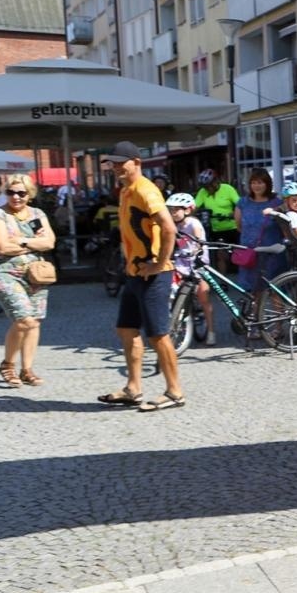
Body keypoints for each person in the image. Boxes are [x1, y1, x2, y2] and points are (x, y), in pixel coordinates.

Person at [96, 141, 187, 413]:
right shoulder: (126, 191)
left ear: (136, 162)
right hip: (135, 273)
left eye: (119, 163)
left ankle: (174, 392)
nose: (114, 168)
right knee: (126, 329)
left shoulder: (147, 191)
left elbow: (169, 228)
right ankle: (132, 388)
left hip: (153, 275)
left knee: (158, 335)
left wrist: (160, 264)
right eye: (111, 163)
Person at [0, 175, 54, 388]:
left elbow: (49, 242)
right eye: (11, 192)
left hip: (34, 272)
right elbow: (2, 248)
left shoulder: (36, 214)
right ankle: (7, 365)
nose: (16, 197)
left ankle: (27, 369)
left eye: (21, 193)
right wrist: (34, 244)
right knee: (25, 320)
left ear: (30, 195)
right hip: (3, 272)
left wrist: (22, 241)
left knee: (35, 320)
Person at [166, 193, 216, 345]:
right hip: (180, 263)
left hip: (197, 263)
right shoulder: (171, 224)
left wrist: (196, 249)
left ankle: (211, 330)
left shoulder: (193, 223)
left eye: (176, 210)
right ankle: (174, 322)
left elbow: (199, 241)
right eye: (171, 210)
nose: (173, 213)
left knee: (203, 296)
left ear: (187, 210)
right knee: (170, 292)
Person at [232, 169, 285, 291]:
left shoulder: (277, 202)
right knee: (252, 293)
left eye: (260, 182)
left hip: (271, 254)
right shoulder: (243, 202)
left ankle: (282, 311)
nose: (256, 186)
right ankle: (255, 311)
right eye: (253, 182)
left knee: (275, 291)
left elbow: (283, 226)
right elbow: (239, 225)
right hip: (249, 254)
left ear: (267, 184)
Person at [193, 168, 242, 274]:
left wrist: (234, 213)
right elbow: (193, 207)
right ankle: (223, 282)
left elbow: (240, 204)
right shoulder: (203, 192)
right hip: (217, 229)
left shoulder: (227, 189)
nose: (207, 189)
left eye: (209, 186)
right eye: (205, 187)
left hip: (233, 227)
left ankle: (242, 279)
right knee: (221, 255)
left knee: (239, 255)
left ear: (216, 182)